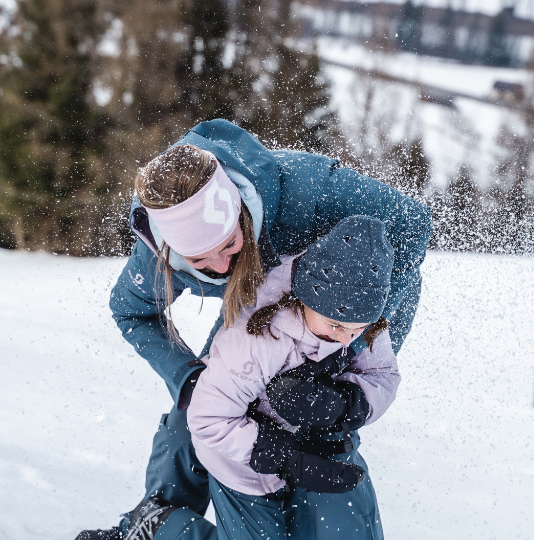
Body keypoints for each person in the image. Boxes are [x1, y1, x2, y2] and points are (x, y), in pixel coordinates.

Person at [76, 119, 431, 540]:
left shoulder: (310, 192)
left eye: (229, 244)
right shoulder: (158, 254)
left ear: (242, 211)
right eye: (201, 262)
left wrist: (345, 362)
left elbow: (415, 228)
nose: (222, 266)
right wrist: (186, 376)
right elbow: (131, 313)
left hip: (336, 312)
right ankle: (154, 521)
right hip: (254, 318)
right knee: (204, 407)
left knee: (319, 432)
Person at [187, 215, 400, 540]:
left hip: (313, 446)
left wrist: (344, 404)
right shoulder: (258, 338)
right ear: (304, 298)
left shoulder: (359, 317)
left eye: (359, 329)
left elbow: (383, 375)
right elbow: (207, 419)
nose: (347, 340)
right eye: (337, 327)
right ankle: (166, 527)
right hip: (239, 467)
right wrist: (286, 459)